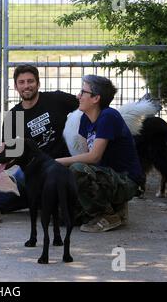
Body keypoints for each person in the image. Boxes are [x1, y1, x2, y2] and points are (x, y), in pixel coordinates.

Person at [56, 75, 145, 232]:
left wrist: (58, 162)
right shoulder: (86, 119)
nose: (78, 96)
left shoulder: (108, 116)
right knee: (62, 217)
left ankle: (109, 214)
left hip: (126, 180)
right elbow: (87, 156)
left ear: (96, 98)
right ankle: (115, 208)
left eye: (83, 92)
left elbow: (93, 157)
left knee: (76, 169)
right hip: (106, 177)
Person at [0, 64, 79, 213]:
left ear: (38, 83)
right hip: (32, 170)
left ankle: (39, 198)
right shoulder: (13, 116)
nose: (26, 86)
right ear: (16, 87)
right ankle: (35, 197)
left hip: (62, 163)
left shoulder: (56, 99)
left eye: (30, 81)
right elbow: (6, 151)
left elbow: (86, 107)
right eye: (21, 82)